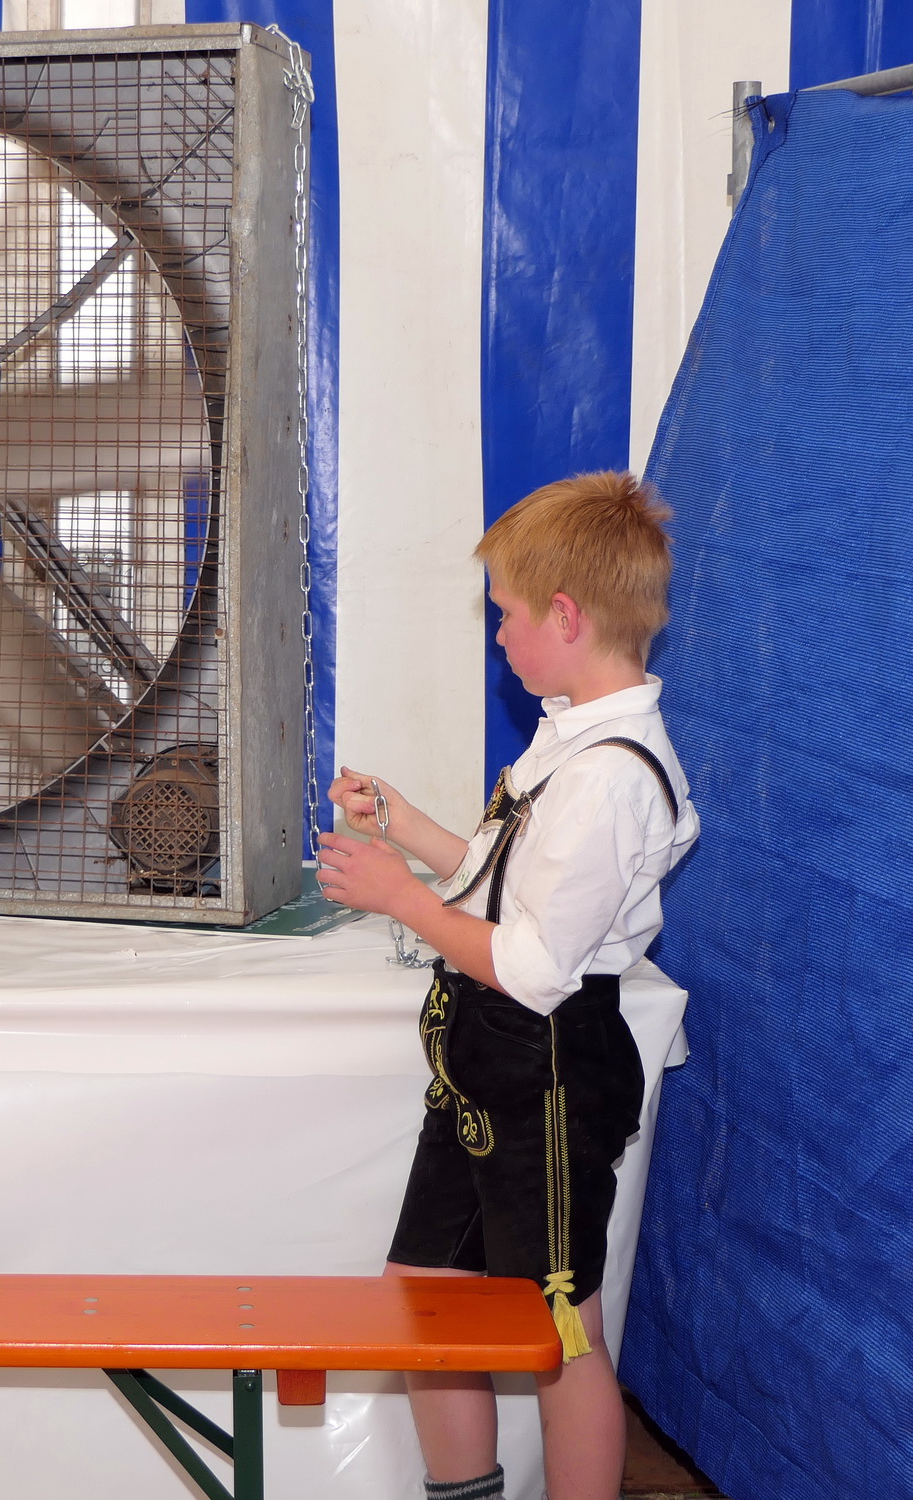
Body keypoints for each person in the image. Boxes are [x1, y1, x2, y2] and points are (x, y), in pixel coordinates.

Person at [317, 471, 700, 1500]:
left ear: (565, 618)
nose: (499, 636)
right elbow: (508, 892)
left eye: (507, 616)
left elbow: (532, 969)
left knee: (557, 1330)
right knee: (428, 1299)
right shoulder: (569, 734)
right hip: (490, 1068)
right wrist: (405, 827)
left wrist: (402, 900)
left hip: (550, 1069)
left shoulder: (610, 774)